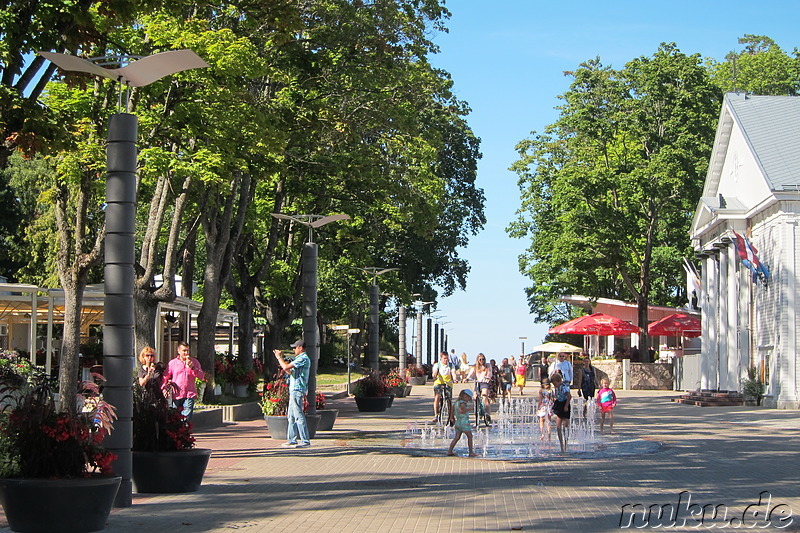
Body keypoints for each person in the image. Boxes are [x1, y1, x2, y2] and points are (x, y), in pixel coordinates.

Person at [274, 339, 311, 448]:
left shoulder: (303, 358)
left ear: (301, 348)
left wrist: (279, 358)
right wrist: (282, 360)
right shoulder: (298, 359)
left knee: (298, 414)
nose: (293, 349)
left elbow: (286, 367)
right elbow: (289, 371)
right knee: (291, 416)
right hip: (293, 389)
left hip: (297, 389)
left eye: (295, 347)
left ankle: (305, 440)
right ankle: (292, 439)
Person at [163, 341, 205, 421]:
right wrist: (164, 388)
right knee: (176, 417)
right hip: (177, 394)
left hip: (189, 394)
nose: (186, 353)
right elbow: (166, 376)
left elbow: (201, 376)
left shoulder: (194, 362)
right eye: (184, 351)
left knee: (186, 418)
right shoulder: (173, 363)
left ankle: (185, 430)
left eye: (187, 351)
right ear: (178, 351)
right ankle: (178, 432)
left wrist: (193, 368)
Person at [447, 388, 478, 457]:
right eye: (468, 398)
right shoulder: (462, 403)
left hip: (458, 422)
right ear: (464, 396)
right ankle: (471, 452)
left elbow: (451, 410)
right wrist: (470, 409)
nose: (469, 399)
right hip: (464, 423)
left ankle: (450, 451)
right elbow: (462, 411)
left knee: (457, 437)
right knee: (470, 436)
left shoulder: (456, 403)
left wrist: (452, 417)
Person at [431, 351, 456, 424]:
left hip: (448, 383)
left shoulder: (451, 365)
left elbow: (453, 373)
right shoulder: (437, 365)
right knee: (437, 396)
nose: (446, 360)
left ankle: (450, 416)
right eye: (444, 358)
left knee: (449, 400)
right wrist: (434, 375)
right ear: (441, 358)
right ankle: (436, 414)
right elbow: (435, 371)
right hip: (439, 382)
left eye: (447, 358)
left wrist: (455, 379)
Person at [469, 353, 493, 424]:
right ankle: (477, 412)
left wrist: (488, 377)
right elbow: (471, 374)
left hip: (484, 382)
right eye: (480, 359)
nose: (481, 361)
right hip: (478, 382)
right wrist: (467, 378)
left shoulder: (487, 366)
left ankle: (488, 414)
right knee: (475, 396)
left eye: (483, 359)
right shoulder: (475, 367)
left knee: (484, 396)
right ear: (477, 360)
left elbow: (489, 372)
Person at [551, 373, 571, 452]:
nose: (554, 385)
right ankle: (561, 445)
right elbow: (557, 395)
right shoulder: (557, 388)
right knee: (558, 426)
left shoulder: (564, 387)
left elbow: (569, 396)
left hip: (565, 404)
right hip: (559, 404)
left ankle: (566, 444)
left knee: (565, 426)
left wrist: (566, 406)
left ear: (559, 381)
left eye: (555, 383)